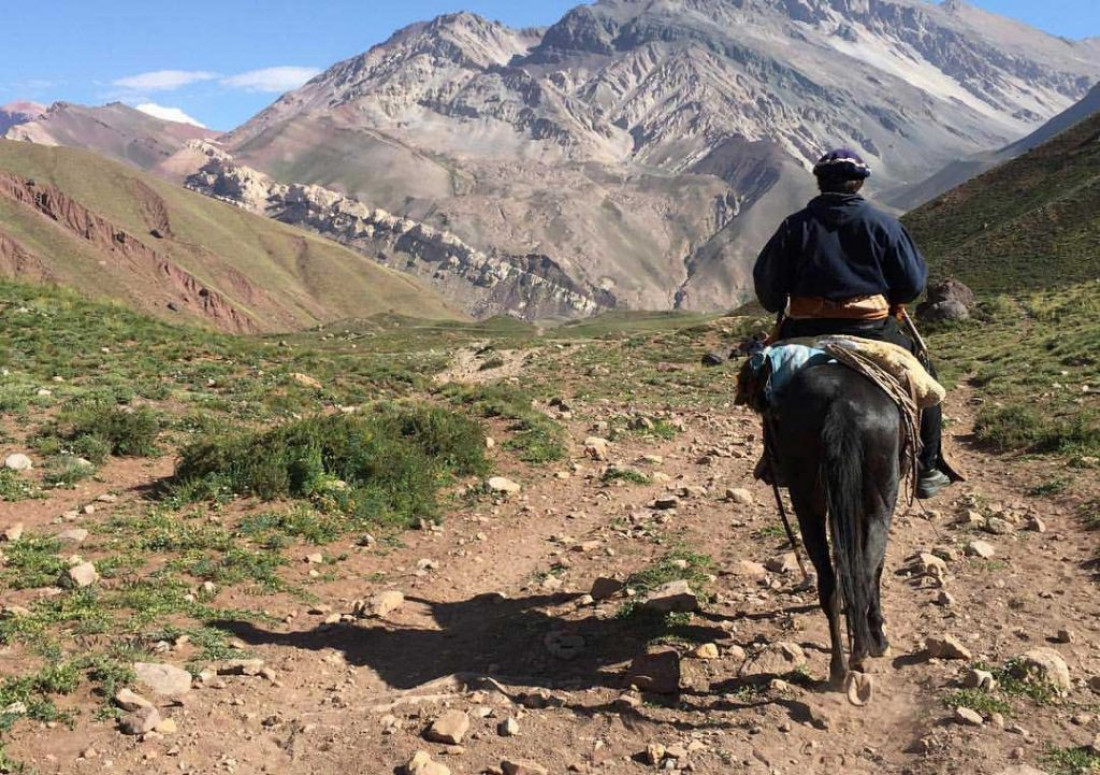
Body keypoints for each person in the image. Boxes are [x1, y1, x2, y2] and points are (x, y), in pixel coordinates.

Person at [752, 148, 954, 499]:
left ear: (819, 182)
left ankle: (776, 459)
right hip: (873, 330)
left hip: (805, 331)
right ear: (859, 183)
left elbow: (769, 291)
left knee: (765, 379)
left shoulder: (793, 226)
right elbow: (912, 284)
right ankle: (927, 466)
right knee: (925, 375)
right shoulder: (885, 225)